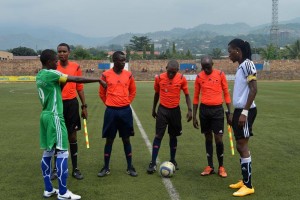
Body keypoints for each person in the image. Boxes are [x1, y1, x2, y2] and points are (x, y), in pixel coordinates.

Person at [37, 49, 106, 199]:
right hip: (55, 116)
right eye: (55, 60)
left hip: (45, 116)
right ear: (49, 62)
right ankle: (62, 192)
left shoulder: (40, 75)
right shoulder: (52, 73)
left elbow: (58, 87)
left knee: (48, 152)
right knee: (62, 152)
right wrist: (98, 80)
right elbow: (76, 79)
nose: (57, 62)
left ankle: (48, 189)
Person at [147, 60, 192, 174]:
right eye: (169, 72)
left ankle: (172, 160)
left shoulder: (182, 79)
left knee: (173, 136)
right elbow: (156, 94)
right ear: (166, 68)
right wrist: (153, 109)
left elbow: (187, 95)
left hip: (175, 112)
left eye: (173, 72)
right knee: (158, 136)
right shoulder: (159, 78)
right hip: (162, 110)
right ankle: (152, 163)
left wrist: (190, 110)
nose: (171, 74)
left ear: (177, 70)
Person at [98, 51, 138, 177]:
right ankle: (106, 167)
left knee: (126, 139)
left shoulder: (129, 75)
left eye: (124, 60)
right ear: (114, 60)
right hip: (111, 112)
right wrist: (110, 103)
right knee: (109, 140)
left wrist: (125, 102)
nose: (124, 62)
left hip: (125, 111)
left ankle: (130, 167)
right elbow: (101, 93)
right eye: (121, 60)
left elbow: (133, 91)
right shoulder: (105, 75)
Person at [51, 43, 86, 180]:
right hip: (57, 104)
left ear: (69, 52)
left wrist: (84, 106)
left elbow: (80, 87)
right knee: (56, 137)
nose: (61, 54)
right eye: (59, 51)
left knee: (72, 137)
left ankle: (75, 169)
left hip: (72, 104)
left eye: (64, 51)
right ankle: (55, 169)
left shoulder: (75, 67)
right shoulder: (54, 67)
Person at [227, 38, 257, 197]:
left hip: (247, 110)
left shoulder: (247, 64)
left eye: (229, 51)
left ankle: (248, 185)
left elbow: (254, 90)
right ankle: (244, 180)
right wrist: (234, 113)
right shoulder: (241, 67)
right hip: (240, 110)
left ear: (237, 50)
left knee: (242, 145)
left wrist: (244, 112)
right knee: (240, 145)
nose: (228, 55)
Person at [192, 55, 231, 178]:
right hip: (204, 111)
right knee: (208, 138)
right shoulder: (199, 77)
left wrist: (230, 112)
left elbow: (226, 93)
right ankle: (210, 166)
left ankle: (221, 166)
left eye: (208, 67)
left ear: (212, 64)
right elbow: (195, 97)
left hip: (217, 111)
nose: (206, 70)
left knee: (218, 138)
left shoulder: (220, 75)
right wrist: (194, 116)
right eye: (204, 68)